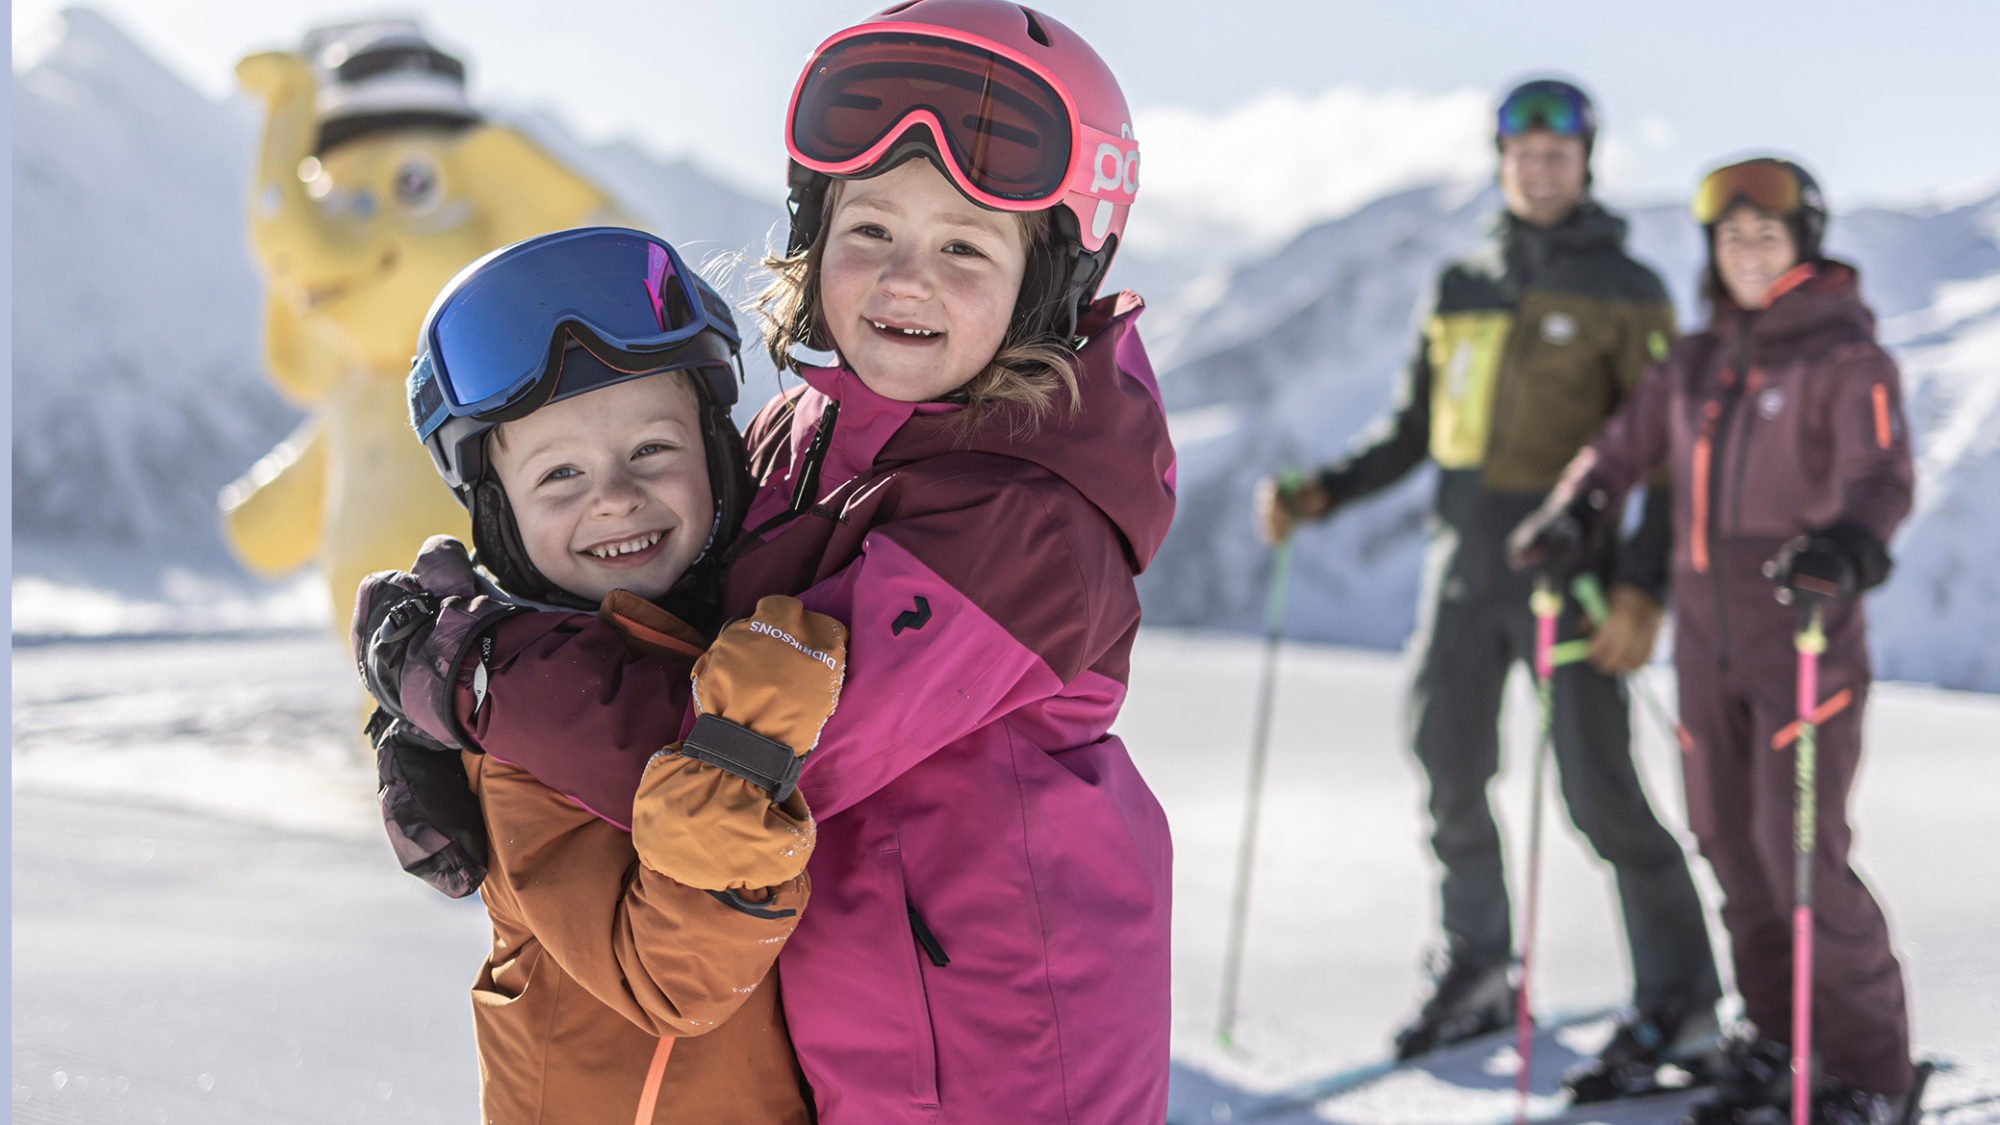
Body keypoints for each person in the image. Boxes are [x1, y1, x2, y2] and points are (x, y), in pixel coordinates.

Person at [366, 4, 1176, 1120]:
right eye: (870, 233)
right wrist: (442, 733)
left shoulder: (1030, 521)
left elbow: (748, 764)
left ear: (1051, 274)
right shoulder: (799, 435)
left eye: (962, 246)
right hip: (850, 1025)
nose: (904, 280)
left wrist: (483, 684)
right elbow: (673, 614)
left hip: (992, 1058)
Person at [1254, 78, 1723, 1086]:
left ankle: (1681, 1001)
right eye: (1522, 150)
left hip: (1574, 585)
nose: (1540, 164)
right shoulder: (1461, 282)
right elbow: (1417, 432)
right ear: (1501, 158)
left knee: (1601, 795)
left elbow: (1669, 459)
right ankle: (1476, 967)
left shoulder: (1625, 288)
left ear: (1584, 161)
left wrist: (1642, 589)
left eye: (1559, 151)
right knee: (1445, 765)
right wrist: (1322, 492)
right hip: (1461, 569)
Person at [350, 228, 853, 1123]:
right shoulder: (525, 738)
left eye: (652, 451)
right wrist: (741, 750)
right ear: (499, 513)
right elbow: (668, 984)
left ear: (715, 451)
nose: (614, 497)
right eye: (561, 475)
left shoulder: (716, 627)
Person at [1511, 157, 1921, 1125]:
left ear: (1802, 244)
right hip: (1703, 644)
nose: (1745, 253)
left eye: (1765, 237)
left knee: (1799, 856)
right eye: (1729, 238)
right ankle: (1780, 1042)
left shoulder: (1842, 358)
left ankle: (1870, 1073)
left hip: (1800, 636)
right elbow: (1619, 448)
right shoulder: (1692, 362)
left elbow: (1880, 477)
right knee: (1729, 849)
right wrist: (1577, 508)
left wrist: (1846, 545)